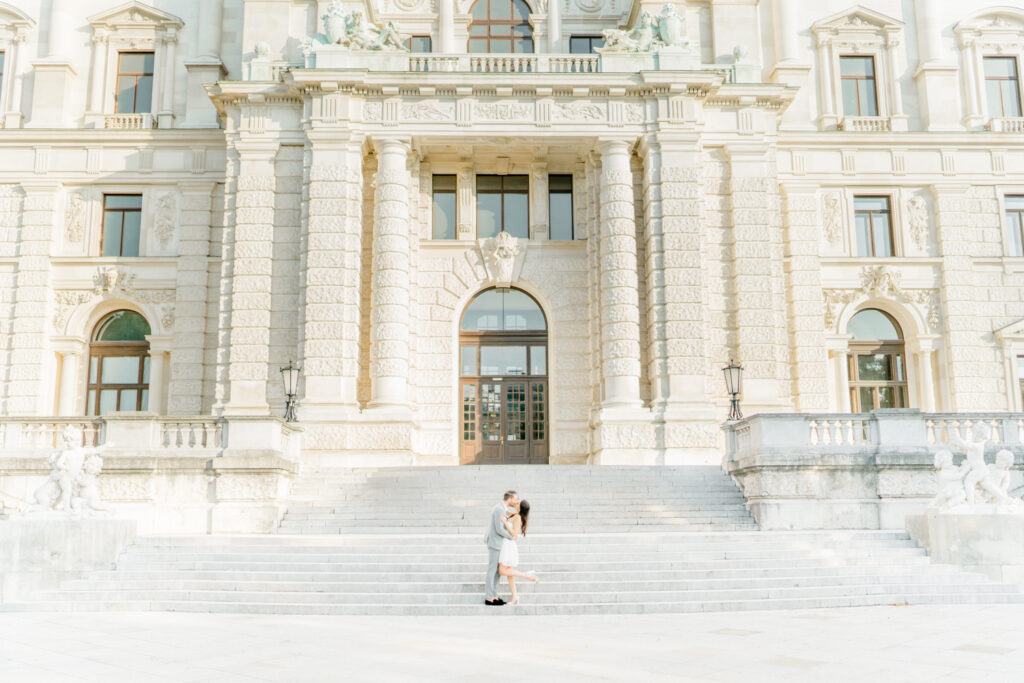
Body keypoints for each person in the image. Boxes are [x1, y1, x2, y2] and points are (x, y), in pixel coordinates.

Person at [498, 499, 539, 605]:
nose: (516, 502)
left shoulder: (518, 517)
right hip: (506, 544)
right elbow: (505, 511)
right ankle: (515, 596)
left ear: (520, 507)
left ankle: (526, 575)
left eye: (518, 503)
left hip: (508, 545)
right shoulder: (515, 514)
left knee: (502, 570)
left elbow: (514, 534)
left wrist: (504, 522)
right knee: (509, 572)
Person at [484, 490, 517, 606]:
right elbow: (499, 529)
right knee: (492, 570)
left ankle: (494, 595)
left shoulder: (502, 508)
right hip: (495, 543)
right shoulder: (499, 509)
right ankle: (489, 597)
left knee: (498, 572)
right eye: (514, 499)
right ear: (510, 499)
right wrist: (511, 537)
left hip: (499, 544)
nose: (515, 501)